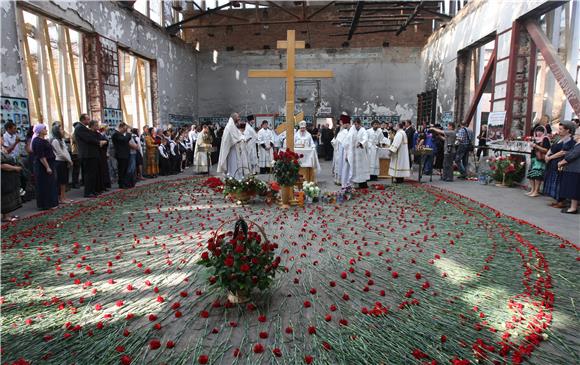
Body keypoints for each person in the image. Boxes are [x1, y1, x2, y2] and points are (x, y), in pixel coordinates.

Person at [543, 121, 576, 208]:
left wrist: (550, 157)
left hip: (560, 164)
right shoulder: (559, 138)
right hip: (553, 163)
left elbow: (563, 152)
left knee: (559, 182)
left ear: (568, 130)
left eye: (561, 129)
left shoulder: (569, 140)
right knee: (554, 181)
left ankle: (561, 202)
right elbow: (552, 148)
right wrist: (547, 155)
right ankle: (557, 200)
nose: (559, 130)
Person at [74, 114, 106, 198]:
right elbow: (88, 138)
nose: (89, 121)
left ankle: (92, 190)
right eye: (88, 119)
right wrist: (99, 142)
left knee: (93, 174)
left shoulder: (83, 128)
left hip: (91, 154)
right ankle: (88, 192)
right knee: (89, 174)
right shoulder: (79, 128)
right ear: (83, 120)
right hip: (87, 154)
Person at [31, 124, 59, 210]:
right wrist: (47, 167)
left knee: (50, 184)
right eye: (44, 129)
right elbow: (41, 156)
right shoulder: (37, 141)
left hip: (49, 163)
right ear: (39, 131)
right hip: (42, 166)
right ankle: (46, 204)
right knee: (44, 185)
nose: (46, 130)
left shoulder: (44, 140)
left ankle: (52, 203)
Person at [217, 113, 249, 179]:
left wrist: (243, 138)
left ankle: (238, 178)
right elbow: (229, 139)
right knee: (233, 165)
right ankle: (233, 178)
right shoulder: (229, 127)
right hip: (232, 150)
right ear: (234, 118)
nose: (239, 118)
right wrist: (240, 139)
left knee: (237, 165)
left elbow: (238, 135)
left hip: (236, 149)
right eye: (238, 117)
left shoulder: (233, 126)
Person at [557, 129, 580, 214]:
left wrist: (562, 162)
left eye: (575, 134)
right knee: (572, 188)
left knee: (574, 189)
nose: (573, 136)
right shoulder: (577, 144)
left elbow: (573, 155)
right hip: (573, 169)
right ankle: (572, 207)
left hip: (576, 170)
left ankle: (573, 208)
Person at [50, 123, 73, 204]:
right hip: (59, 162)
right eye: (60, 129)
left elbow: (65, 151)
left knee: (64, 181)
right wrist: (69, 160)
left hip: (64, 161)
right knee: (60, 181)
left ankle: (64, 197)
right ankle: (61, 198)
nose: (62, 131)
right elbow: (60, 153)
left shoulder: (61, 140)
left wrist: (69, 160)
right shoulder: (55, 140)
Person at [1, 135, 22, 222]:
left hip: (9, 176)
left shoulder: (2, 149)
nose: (2, 140)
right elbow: (1, 165)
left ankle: (8, 214)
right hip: (3, 177)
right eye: (1, 138)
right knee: (5, 195)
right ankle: (5, 216)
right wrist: (15, 168)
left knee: (9, 194)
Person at [525, 125, 551, 197]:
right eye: (537, 131)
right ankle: (532, 190)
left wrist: (536, 146)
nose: (538, 133)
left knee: (537, 175)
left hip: (539, 160)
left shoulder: (545, 139)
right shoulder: (535, 139)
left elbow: (547, 150)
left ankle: (536, 191)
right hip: (533, 158)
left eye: (541, 131)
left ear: (544, 132)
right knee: (531, 175)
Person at [346, 118, 371, 188]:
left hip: (361, 153)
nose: (355, 125)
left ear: (359, 124)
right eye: (354, 124)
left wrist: (360, 143)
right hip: (354, 153)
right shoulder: (352, 130)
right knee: (355, 169)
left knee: (362, 168)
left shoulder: (363, 130)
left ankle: (363, 183)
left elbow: (365, 139)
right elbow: (348, 138)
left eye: (356, 124)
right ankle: (355, 182)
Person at [332, 114, 352, 187]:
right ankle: (338, 180)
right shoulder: (339, 130)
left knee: (343, 166)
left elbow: (346, 142)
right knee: (338, 165)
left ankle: (344, 180)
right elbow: (336, 139)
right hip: (338, 151)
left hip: (344, 151)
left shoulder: (348, 131)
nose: (340, 123)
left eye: (342, 122)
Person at [112, 122, 133, 188]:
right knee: (122, 170)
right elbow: (125, 140)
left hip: (125, 154)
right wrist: (129, 133)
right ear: (120, 127)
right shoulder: (116, 134)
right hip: (121, 155)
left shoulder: (121, 134)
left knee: (125, 169)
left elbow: (127, 139)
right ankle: (121, 184)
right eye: (124, 128)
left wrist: (128, 133)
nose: (125, 130)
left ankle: (125, 183)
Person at [70, 122, 81, 188]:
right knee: (76, 169)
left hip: (78, 152)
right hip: (75, 153)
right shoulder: (74, 134)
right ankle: (75, 183)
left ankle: (76, 182)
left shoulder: (75, 134)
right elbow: (76, 141)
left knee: (77, 169)